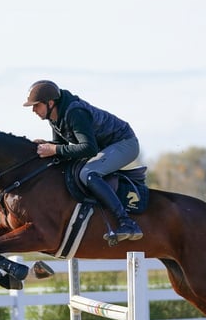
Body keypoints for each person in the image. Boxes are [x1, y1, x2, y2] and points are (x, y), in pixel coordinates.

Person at [23, 80, 143, 243]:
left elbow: (88, 149)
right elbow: (62, 145)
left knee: (88, 173)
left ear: (50, 103)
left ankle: (126, 222)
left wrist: (54, 149)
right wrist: (47, 144)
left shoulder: (75, 113)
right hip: (107, 146)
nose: (33, 110)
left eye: (36, 105)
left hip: (125, 143)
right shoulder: (54, 116)